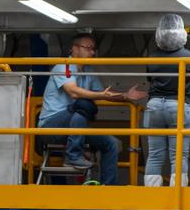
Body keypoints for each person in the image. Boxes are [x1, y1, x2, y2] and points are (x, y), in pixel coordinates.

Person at [37, 33, 142, 184]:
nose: (92, 53)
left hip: (75, 129)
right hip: (51, 126)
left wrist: (124, 95)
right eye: (88, 48)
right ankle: (73, 156)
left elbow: (103, 93)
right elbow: (73, 92)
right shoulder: (63, 66)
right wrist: (99, 95)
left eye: (93, 49)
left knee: (110, 143)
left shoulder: (88, 71)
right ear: (74, 49)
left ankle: (108, 187)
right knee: (83, 105)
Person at [144, 14, 190, 187]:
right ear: (181, 32)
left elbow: (150, 79)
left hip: (153, 106)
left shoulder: (151, 58)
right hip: (179, 104)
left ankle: (152, 197)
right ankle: (178, 196)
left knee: (154, 154)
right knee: (179, 155)